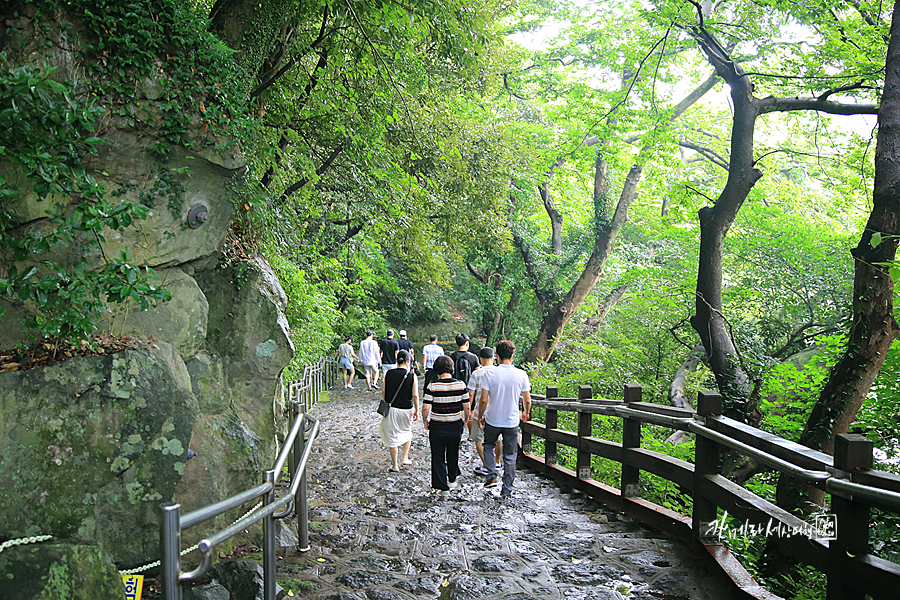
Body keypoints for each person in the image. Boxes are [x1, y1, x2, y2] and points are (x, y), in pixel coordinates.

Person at [478, 339, 531, 497]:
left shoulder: (490, 373)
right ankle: (507, 489)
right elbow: (527, 399)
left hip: (493, 418)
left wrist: (481, 416)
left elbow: (483, 399)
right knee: (510, 454)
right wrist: (526, 412)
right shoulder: (521, 374)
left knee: (488, 445)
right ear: (513, 356)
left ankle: (492, 474)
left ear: (497, 357)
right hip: (511, 420)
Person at [422, 355, 470, 498]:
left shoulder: (432, 386)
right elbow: (466, 407)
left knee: (437, 456)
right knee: (453, 452)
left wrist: (425, 421)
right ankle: (452, 479)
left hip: (437, 425)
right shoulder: (461, 384)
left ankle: (443, 487)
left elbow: (426, 408)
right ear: (451, 368)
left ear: (437, 369)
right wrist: (465, 420)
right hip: (455, 424)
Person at [379, 350, 419, 471]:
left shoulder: (388, 374)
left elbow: (384, 392)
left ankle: (394, 464)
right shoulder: (412, 376)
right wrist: (417, 409)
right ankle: (405, 458)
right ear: (408, 361)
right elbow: (415, 395)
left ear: (397, 361)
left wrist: (387, 402)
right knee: (407, 432)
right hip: (406, 409)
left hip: (392, 409)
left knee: (392, 436)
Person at [467, 346, 501, 475]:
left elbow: (471, 394)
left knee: (478, 438)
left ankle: (486, 464)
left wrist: (468, 412)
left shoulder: (476, 373)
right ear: (494, 358)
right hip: (496, 411)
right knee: (498, 438)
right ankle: (497, 462)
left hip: (479, 412)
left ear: (480, 359)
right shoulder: (499, 372)